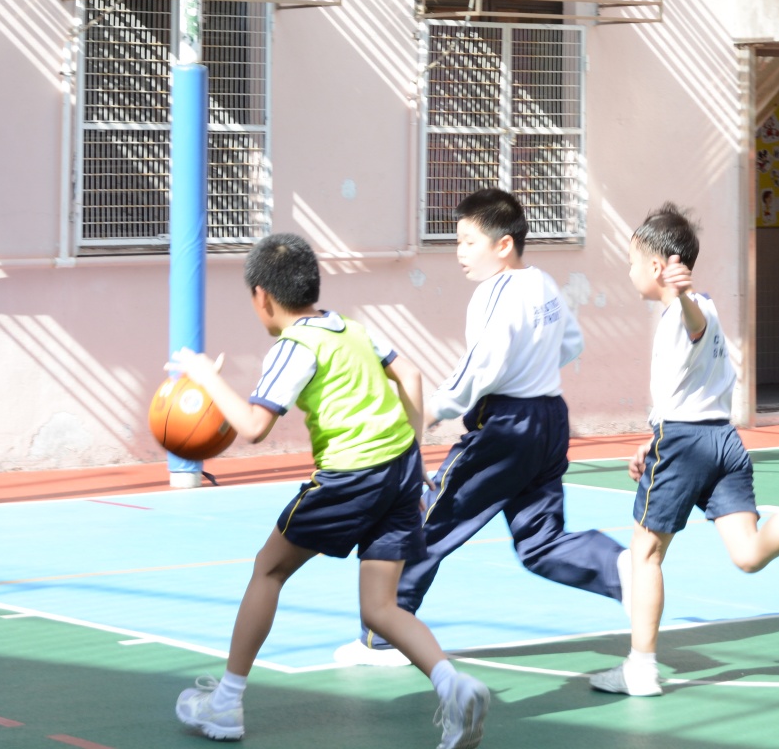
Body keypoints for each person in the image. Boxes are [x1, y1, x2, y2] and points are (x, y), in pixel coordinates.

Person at [168, 233, 490, 747]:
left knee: (268, 569)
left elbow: (252, 426)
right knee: (380, 608)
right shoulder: (352, 329)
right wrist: (414, 452)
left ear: (262, 297)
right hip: (399, 470)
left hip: (351, 476)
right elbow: (410, 374)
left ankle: (225, 704)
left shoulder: (294, 346)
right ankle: (454, 685)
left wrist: (206, 377)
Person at [591, 203, 779, 698]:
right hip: (721, 441)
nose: (629, 270)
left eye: (633, 261)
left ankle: (640, 669)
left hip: (685, 444)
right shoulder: (703, 308)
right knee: (747, 554)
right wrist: (652, 438)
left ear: (657, 266)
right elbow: (688, 390)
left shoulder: (689, 311)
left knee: (644, 554)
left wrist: (682, 297)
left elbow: (694, 325)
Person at [337, 189, 627, 665]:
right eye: (458, 241)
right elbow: (571, 343)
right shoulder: (543, 283)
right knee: (540, 540)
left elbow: (481, 367)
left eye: (469, 242)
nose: (460, 252)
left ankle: (383, 637)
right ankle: (621, 568)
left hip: (506, 425)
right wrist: (531, 369)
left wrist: (429, 412)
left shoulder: (495, 292)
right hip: (549, 418)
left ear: (503, 244)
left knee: (423, 522)